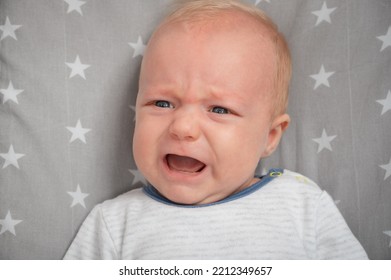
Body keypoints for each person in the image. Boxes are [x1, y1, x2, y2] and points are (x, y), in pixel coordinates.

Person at [64, 0, 368, 259]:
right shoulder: (115, 223)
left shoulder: (303, 207)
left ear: (271, 136)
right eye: (162, 103)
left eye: (219, 110)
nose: (182, 127)